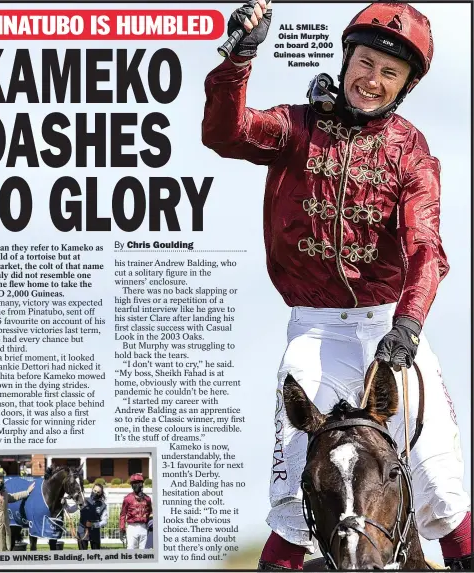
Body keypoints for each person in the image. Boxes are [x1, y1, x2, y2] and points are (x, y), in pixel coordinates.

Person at [202, 2, 472, 570]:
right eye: (365, 62)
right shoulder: (296, 126)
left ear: (405, 85)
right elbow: (225, 133)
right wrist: (241, 57)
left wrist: (408, 324)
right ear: (347, 57)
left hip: (392, 329)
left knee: (443, 490)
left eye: (388, 73)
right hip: (316, 332)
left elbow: (426, 248)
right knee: (291, 505)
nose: (371, 80)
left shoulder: (413, 152)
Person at [64, 483, 109, 550]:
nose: (96, 493)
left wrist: (93, 524)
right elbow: (70, 510)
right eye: (95, 491)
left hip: (95, 532)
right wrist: (64, 503)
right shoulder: (83, 501)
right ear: (92, 489)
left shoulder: (102, 505)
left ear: (101, 494)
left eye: (98, 492)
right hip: (82, 531)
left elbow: (104, 521)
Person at [119, 474, 153, 550]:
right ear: (131, 485)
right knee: (131, 550)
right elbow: (123, 514)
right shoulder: (128, 499)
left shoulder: (147, 499)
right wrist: (122, 529)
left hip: (144, 527)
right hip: (132, 527)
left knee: (144, 551)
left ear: (142, 484)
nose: (137, 485)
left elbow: (150, 512)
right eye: (134, 483)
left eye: (139, 483)